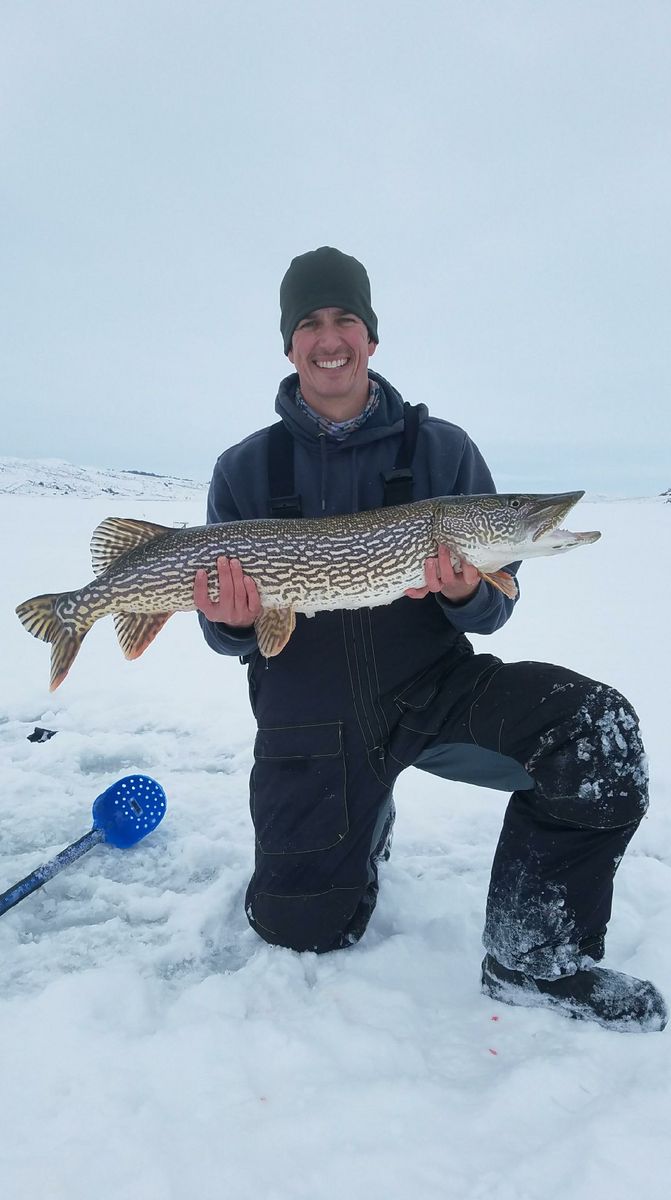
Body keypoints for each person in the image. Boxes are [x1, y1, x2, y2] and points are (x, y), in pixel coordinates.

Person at [195, 246, 667, 1032]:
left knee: (594, 732)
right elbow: (232, 640)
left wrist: (468, 589)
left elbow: (495, 609)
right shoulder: (245, 466)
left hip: (431, 691)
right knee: (301, 928)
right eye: (310, 323)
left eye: (345, 318)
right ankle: (363, 816)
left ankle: (531, 960)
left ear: (370, 337)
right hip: (310, 720)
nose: (329, 336)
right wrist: (235, 619)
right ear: (289, 345)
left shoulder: (441, 450)